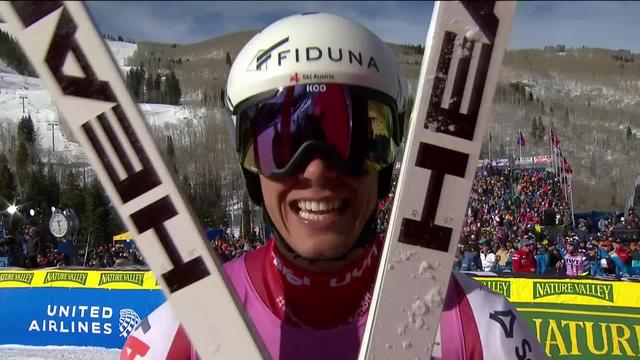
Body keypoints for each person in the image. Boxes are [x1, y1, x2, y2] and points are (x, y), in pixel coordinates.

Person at [121, 13, 543, 360]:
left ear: (387, 163)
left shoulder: (477, 329)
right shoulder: (179, 333)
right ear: (252, 172)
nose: (318, 169)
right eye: (281, 142)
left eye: (355, 138)